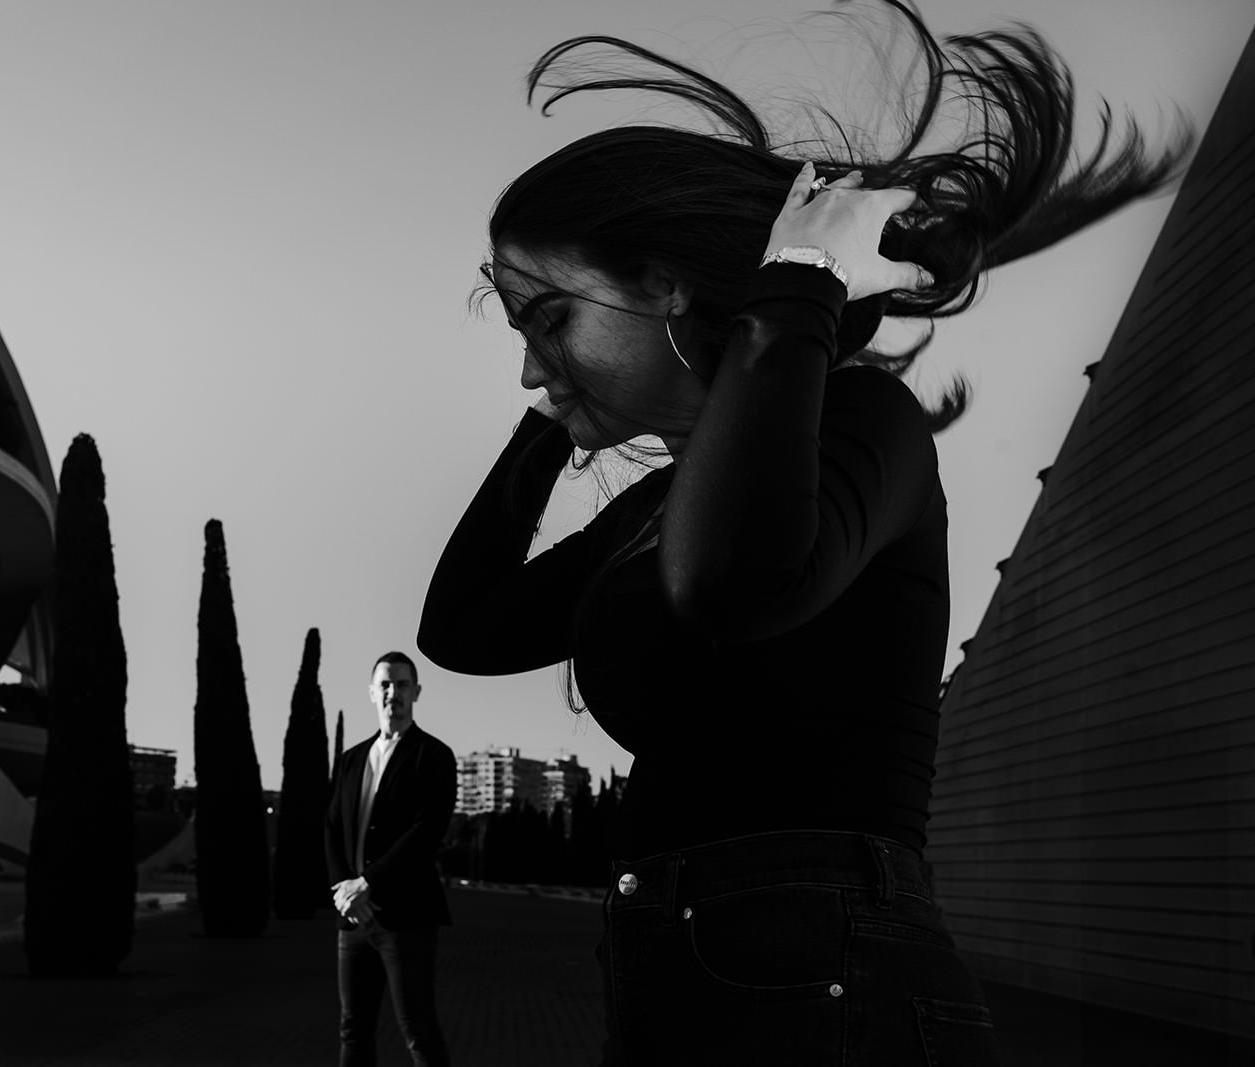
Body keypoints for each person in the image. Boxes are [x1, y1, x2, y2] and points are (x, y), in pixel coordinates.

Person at [417, 3, 1189, 1063]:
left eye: (549, 318)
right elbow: (463, 627)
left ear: (665, 285)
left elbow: (733, 583)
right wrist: (552, 408)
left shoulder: (862, 426)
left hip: (833, 995)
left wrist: (798, 289)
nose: (527, 365)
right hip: (685, 979)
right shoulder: (667, 511)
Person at [325, 651, 457, 1067]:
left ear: (416, 692)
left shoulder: (434, 756)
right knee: (353, 1029)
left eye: (401, 684)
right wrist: (344, 892)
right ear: (371, 692)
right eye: (384, 683)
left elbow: (427, 831)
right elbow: (331, 829)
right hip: (353, 920)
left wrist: (367, 884)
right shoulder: (350, 760)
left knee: (417, 1029)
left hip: (407, 919)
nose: (392, 692)